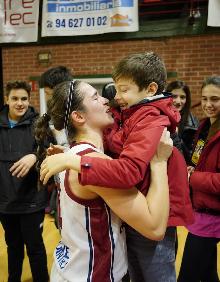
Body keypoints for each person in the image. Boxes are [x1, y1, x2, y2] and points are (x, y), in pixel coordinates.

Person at [40, 52, 194, 282]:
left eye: (123, 90)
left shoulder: (78, 154)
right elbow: (154, 227)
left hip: (73, 267)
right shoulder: (91, 160)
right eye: (95, 98)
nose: (107, 99)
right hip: (92, 273)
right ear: (78, 117)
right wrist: (159, 162)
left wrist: (70, 157)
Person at [0, 81, 49, 282]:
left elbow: (50, 151)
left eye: (24, 99)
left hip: (32, 200)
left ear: (29, 100)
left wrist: (35, 156)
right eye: (15, 99)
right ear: (6, 100)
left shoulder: (39, 124)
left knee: (35, 247)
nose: (20, 103)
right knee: (13, 247)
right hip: (5, 201)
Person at [178, 76, 220, 282]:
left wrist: (192, 177)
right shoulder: (204, 127)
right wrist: (190, 169)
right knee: (208, 272)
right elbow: (199, 162)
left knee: (188, 276)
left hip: (213, 215)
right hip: (200, 209)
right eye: (204, 99)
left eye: (215, 99)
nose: (208, 104)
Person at [35, 66, 73, 224]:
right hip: (60, 187)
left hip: (77, 185)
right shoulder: (57, 116)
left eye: (50, 94)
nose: (49, 99)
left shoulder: (77, 114)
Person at [166, 80, 199, 164]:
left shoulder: (193, 124)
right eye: (174, 96)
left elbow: (193, 157)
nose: (178, 101)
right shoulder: (159, 118)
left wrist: (175, 137)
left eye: (182, 97)